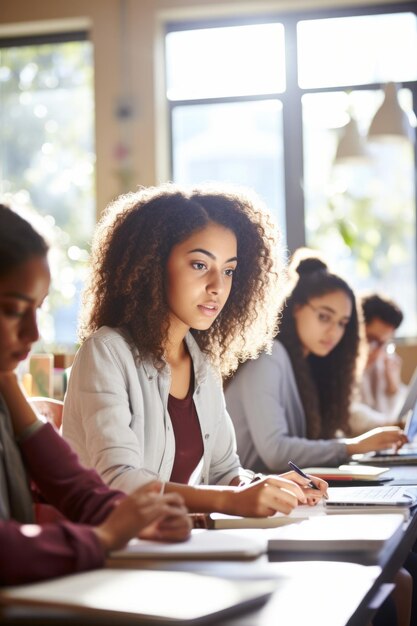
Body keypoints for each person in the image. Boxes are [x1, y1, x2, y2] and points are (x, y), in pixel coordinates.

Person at [62, 183, 328, 516]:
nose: (218, 287)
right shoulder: (105, 353)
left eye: (229, 270)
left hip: (179, 541)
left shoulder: (201, 365)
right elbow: (120, 480)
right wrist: (230, 500)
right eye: (200, 265)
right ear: (153, 265)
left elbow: (223, 472)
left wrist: (272, 486)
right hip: (114, 549)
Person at [0, 204, 191, 586]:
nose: (34, 333)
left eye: (38, 309)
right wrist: (102, 537)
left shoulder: (4, 382)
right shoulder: (107, 349)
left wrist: (133, 516)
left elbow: (74, 486)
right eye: (11, 309)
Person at [224, 249, 407, 475]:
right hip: (247, 499)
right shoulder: (268, 357)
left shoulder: (305, 363)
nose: (334, 332)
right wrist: (354, 446)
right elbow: (277, 452)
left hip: (282, 491)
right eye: (324, 317)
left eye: (342, 323)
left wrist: (360, 448)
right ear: (297, 309)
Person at [349, 293, 408, 436]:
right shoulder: (340, 362)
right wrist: (391, 424)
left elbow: (395, 415)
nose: (376, 351)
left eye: (384, 343)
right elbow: (348, 414)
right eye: (371, 339)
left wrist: (392, 388)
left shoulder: (383, 362)